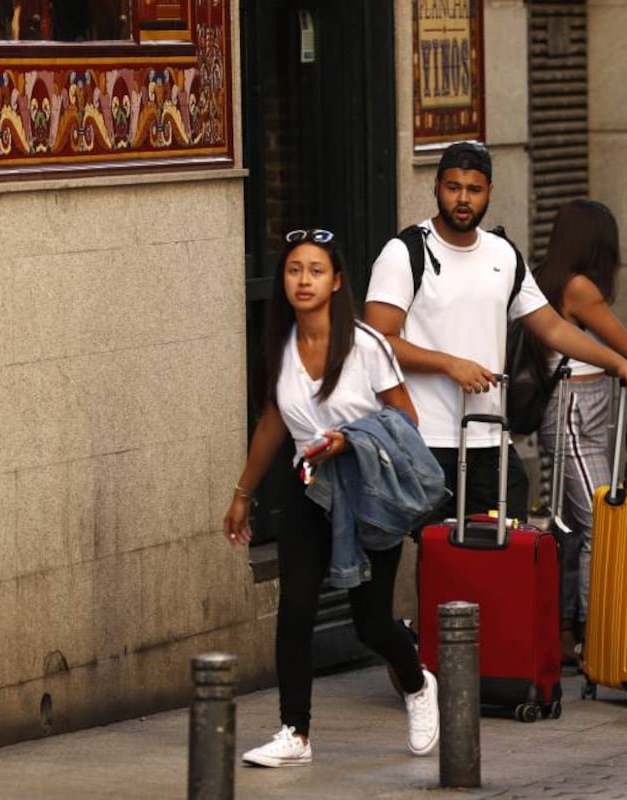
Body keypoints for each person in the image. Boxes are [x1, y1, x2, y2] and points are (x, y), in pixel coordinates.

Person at [223, 229, 440, 767]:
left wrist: (352, 440)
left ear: (336, 280)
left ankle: (417, 684)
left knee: (371, 623)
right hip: (307, 489)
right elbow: (273, 422)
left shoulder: (366, 345)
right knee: (295, 608)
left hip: (367, 491)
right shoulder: (278, 346)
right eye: (294, 270)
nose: (304, 280)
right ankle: (295, 732)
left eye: (316, 270)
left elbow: (405, 419)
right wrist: (243, 492)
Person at [364, 141, 627, 528]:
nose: (463, 199)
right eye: (453, 188)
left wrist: (620, 363)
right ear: (436, 187)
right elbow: (378, 340)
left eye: (474, 189)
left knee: (504, 556)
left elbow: (551, 327)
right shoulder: (404, 252)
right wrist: (449, 364)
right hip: (428, 438)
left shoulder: (503, 254)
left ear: (489, 192)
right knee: (442, 558)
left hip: (491, 439)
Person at [532, 199, 627, 664]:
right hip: (573, 409)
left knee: (578, 527)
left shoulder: (558, 280)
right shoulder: (577, 287)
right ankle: (601, 635)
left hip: (586, 407)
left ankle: (570, 631)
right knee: (602, 521)